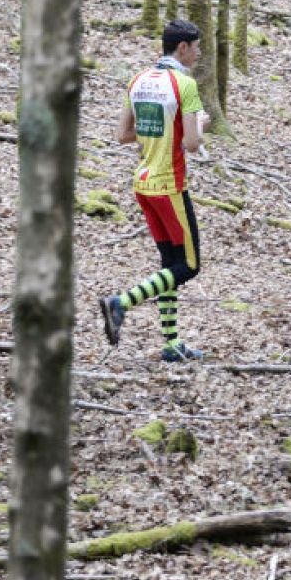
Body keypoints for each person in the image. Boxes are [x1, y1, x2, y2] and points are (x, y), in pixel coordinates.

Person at [100, 19, 211, 361]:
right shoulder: (184, 84)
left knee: (169, 266)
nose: (199, 52)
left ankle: (171, 344)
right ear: (182, 48)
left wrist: (163, 131)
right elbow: (191, 145)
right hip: (170, 186)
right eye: (196, 46)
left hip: (143, 185)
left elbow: (122, 135)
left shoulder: (138, 80)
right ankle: (121, 302)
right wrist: (201, 125)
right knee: (189, 266)